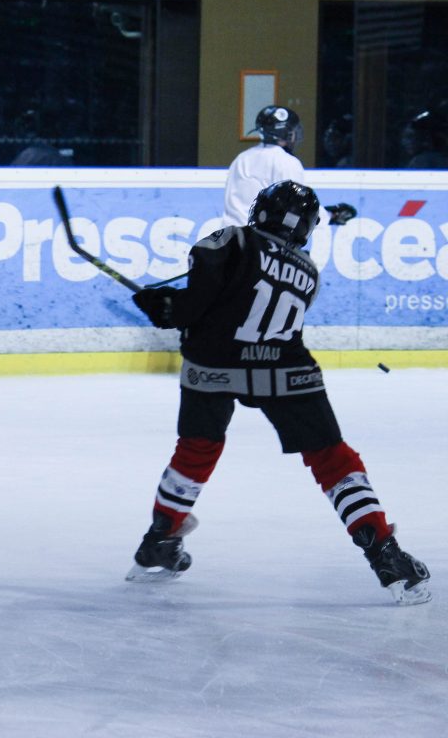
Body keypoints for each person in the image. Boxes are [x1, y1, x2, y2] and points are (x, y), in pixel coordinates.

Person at [128, 181, 431, 605]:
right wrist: (176, 307)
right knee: (332, 458)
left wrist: (165, 308)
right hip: (285, 369)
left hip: (214, 365)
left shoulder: (230, 239)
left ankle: (160, 538)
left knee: (197, 447)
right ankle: (385, 552)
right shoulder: (310, 272)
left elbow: (199, 304)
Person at [225, 105, 355, 227]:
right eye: (292, 130)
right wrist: (330, 216)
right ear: (286, 133)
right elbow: (298, 206)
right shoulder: (286, 162)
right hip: (259, 243)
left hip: (229, 240)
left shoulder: (241, 159)